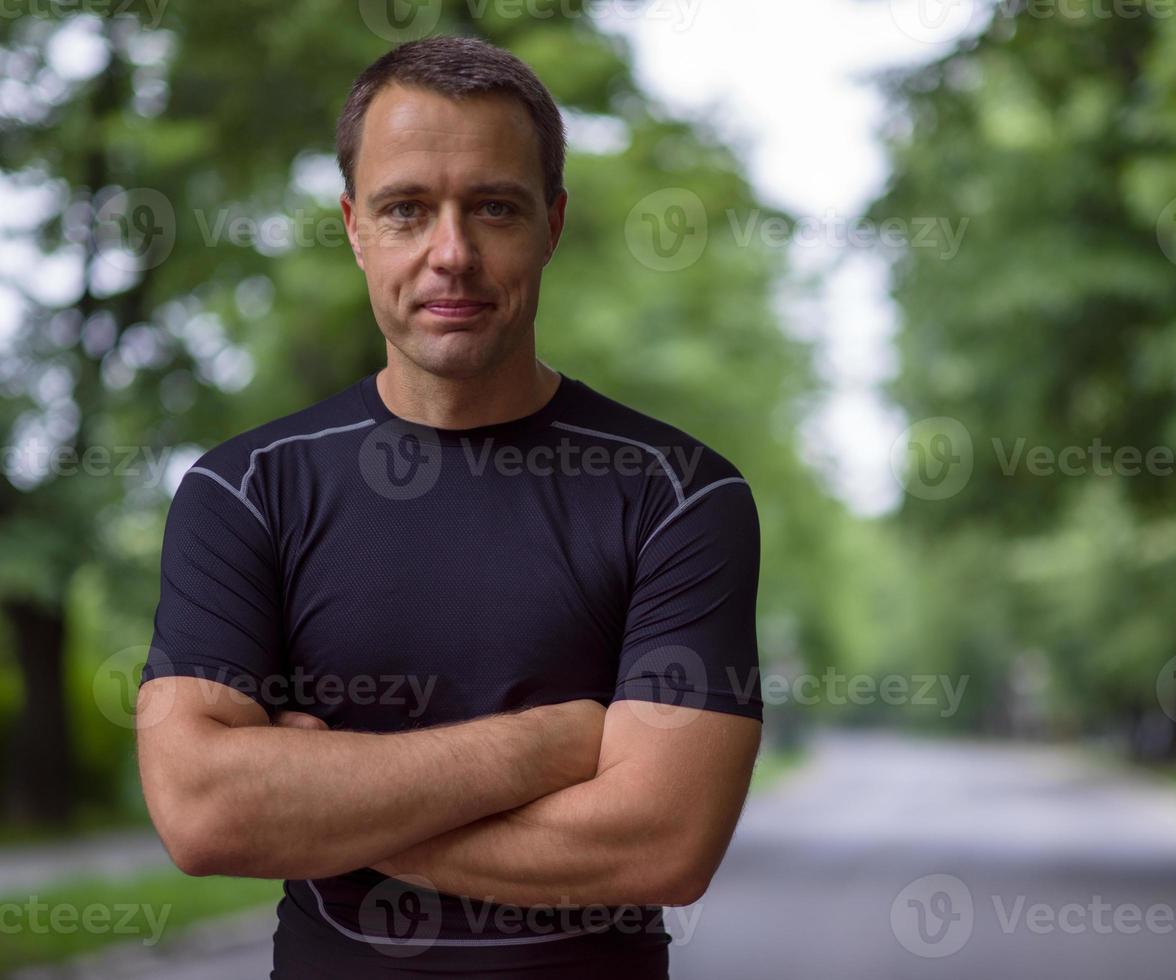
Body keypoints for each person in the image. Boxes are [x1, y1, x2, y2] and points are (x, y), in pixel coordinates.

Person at [135, 34, 763, 978]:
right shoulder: (245, 489)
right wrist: (547, 745)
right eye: (406, 210)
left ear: (552, 224)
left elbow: (661, 847)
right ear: (353, 225)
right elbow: (203, 814)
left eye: (494, 208)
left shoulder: (678, 495)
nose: (452, 254)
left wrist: (325, 811)